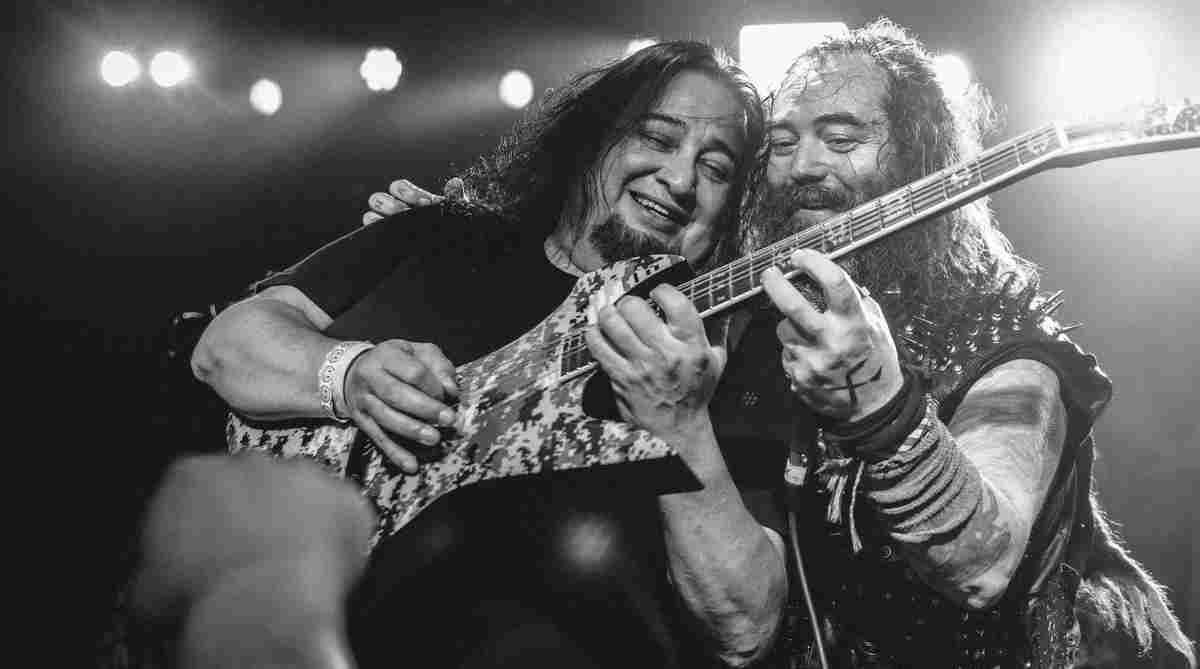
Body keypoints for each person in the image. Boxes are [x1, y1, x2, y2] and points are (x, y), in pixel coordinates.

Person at [366, 19, 1194, 669]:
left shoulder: (1006, 343)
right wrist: (447, 244)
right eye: (784, 144)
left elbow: (982, 564)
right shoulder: (746, 326)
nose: (802, 168)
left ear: (922, 163)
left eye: (843, 139)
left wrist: (881, 405)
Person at [130, 41, 782, 669]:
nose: (680, 179)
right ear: (594, 137)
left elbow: (746, 630)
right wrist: (347, 374)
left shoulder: (721, 355)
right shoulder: (438, 234)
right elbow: (226, 346)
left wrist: (681, 425)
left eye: (716, 169)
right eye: (659, 138)